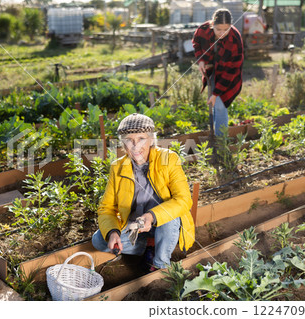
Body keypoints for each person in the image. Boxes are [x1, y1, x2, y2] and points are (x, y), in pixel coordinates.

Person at [91, 113, 195, 270]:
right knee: (99, 240)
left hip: (165, 225)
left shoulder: (169, 159)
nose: (135, 146)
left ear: (151, 139)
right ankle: (147, 247)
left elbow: (183, 200)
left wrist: (151, 216)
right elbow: (106, 208)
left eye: (141, 139)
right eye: (129, 140)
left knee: (170, 217)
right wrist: (113, 232)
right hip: (136, 226)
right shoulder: (117, 167)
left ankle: (161, 265)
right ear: (123, 144)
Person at [192, 8, 244, 136]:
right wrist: (201, 60)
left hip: (228, 73)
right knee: (214, 103)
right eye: (218, 29)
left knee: (219, 104)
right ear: (212, 25)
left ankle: (221, 142)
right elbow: (196, 43)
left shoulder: (235, 39)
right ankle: (215, 135)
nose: (222, 33)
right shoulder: (203, 30)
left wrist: (216, 93)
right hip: (212, 69)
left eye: (226, 29)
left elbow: (232, 71)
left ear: (230, 26)